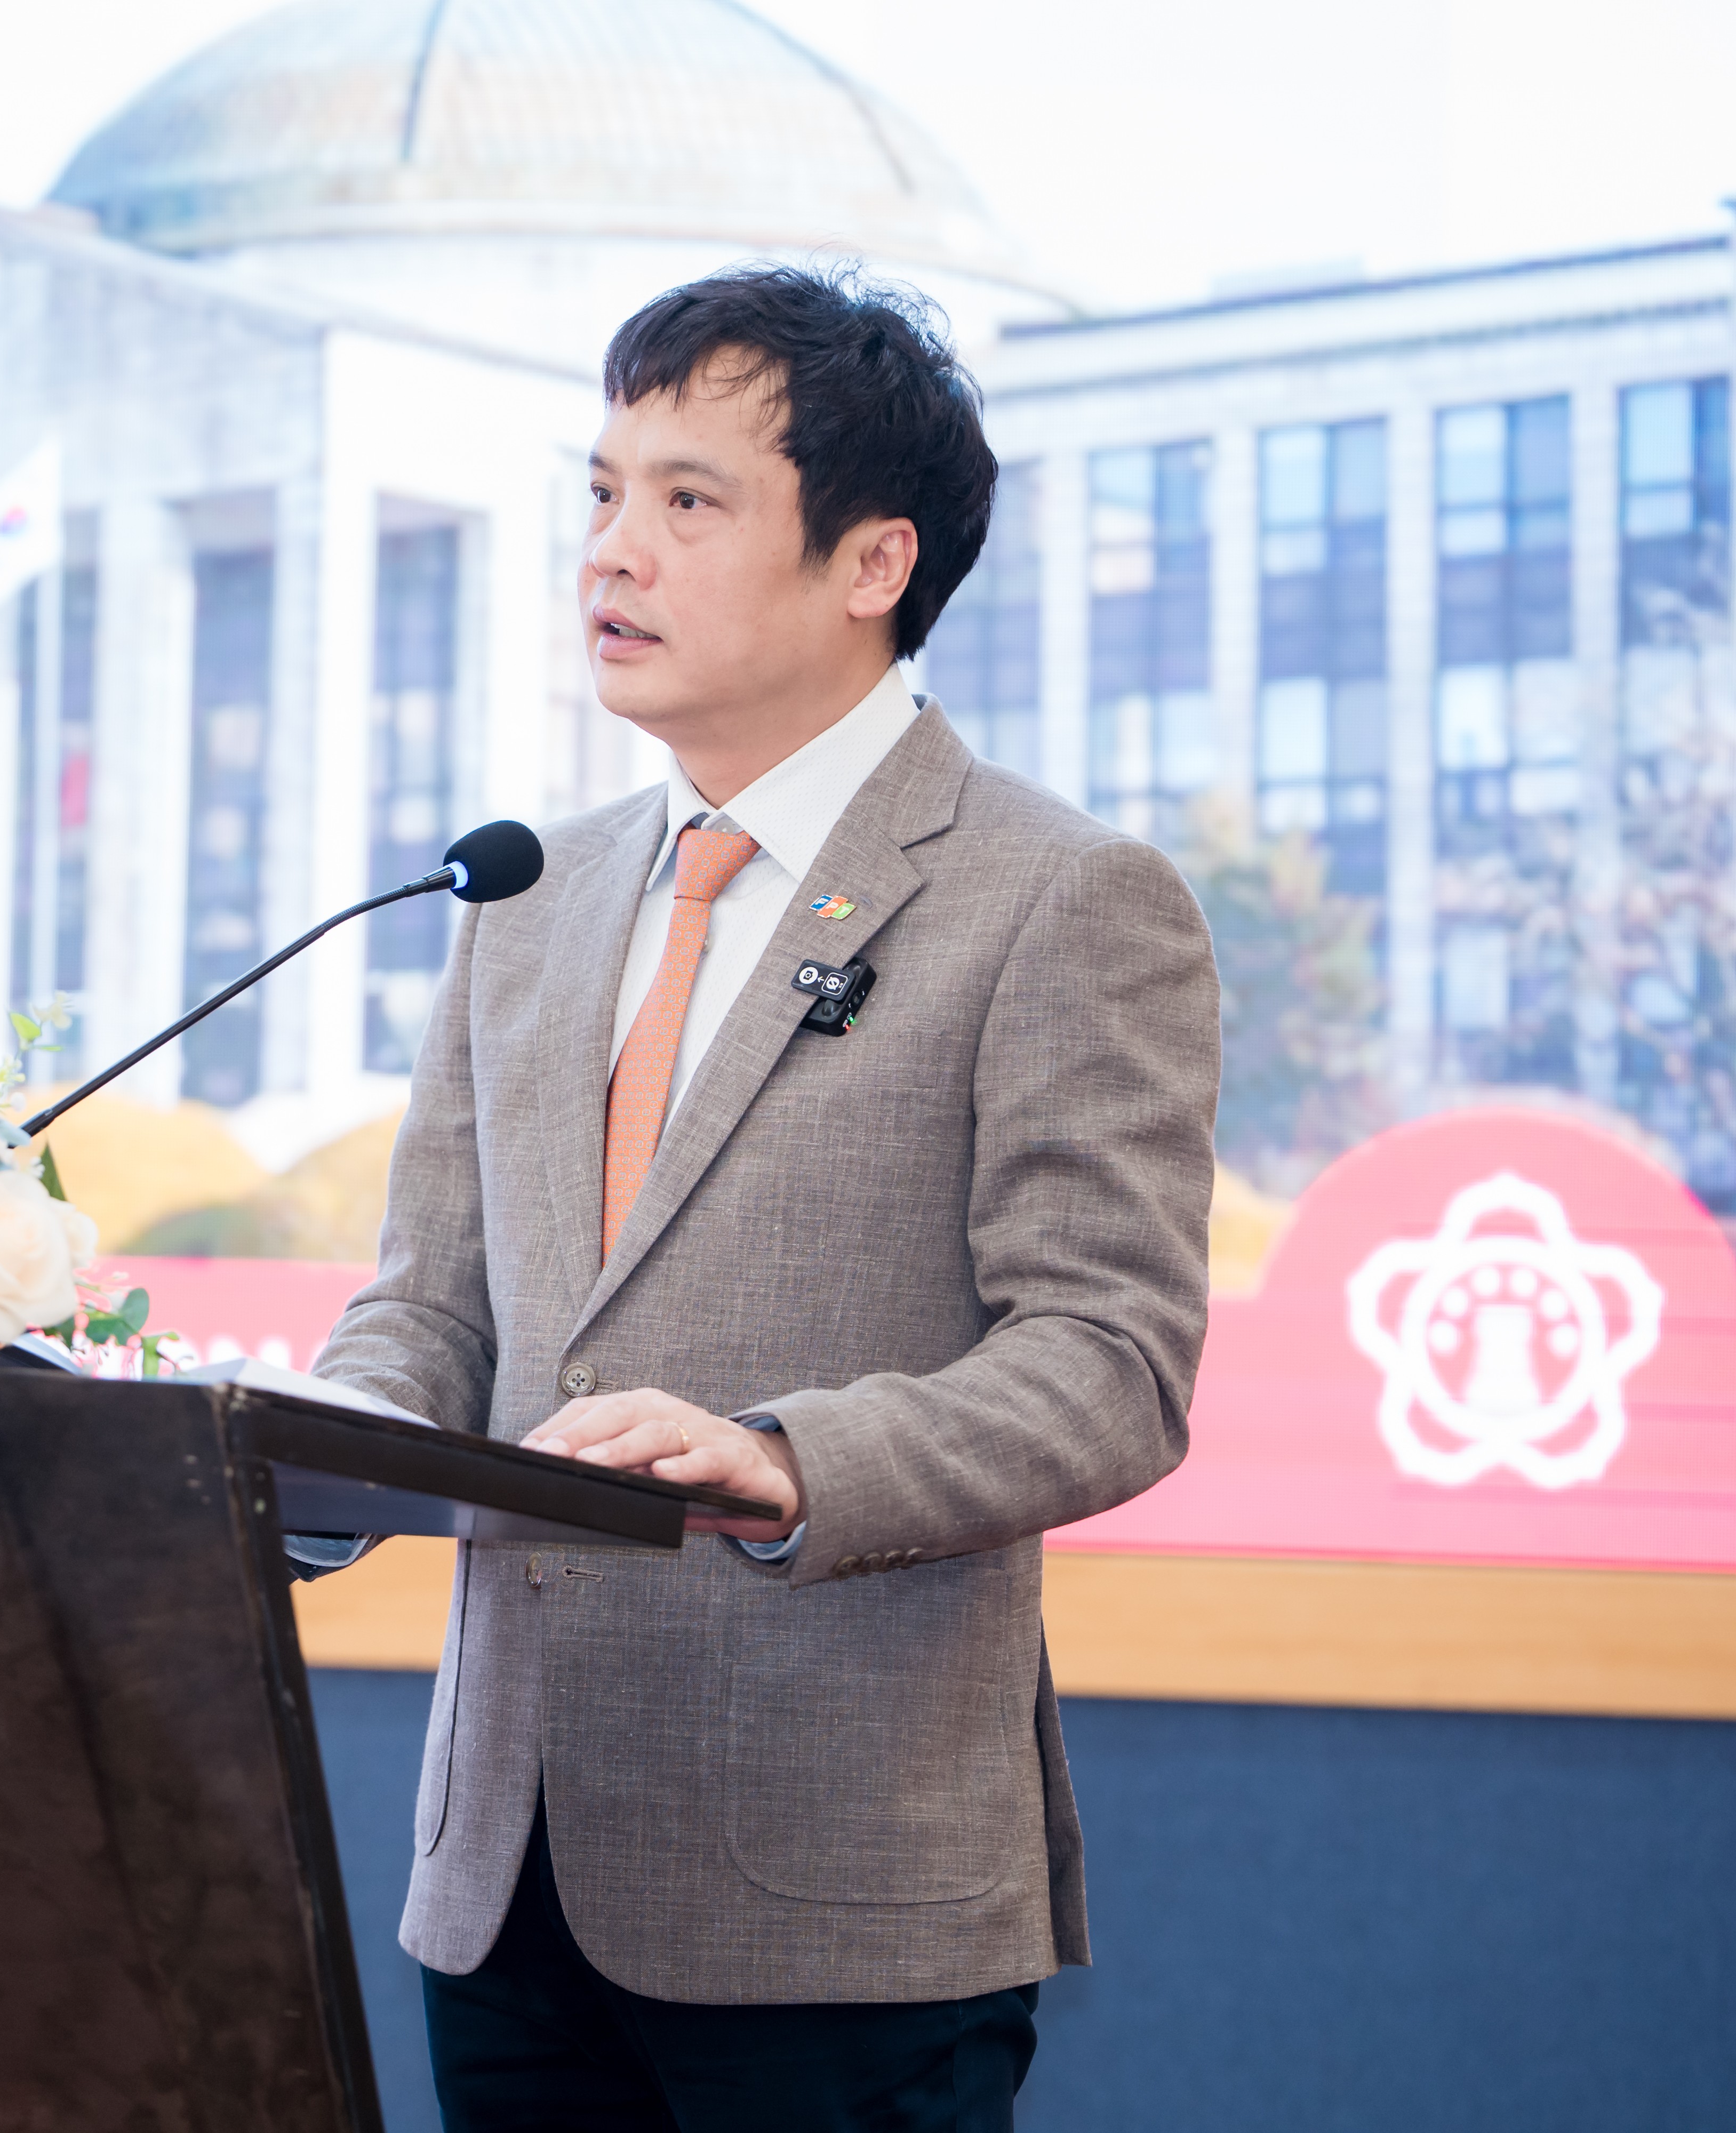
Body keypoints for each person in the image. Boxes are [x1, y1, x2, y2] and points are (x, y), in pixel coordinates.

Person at [303, 265, 1221, 2131]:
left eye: (688, 501)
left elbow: (1110, 1361)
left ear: (875, 562)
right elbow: (436, 1306)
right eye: (601, 492)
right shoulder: (524, 896)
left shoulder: (1060, 898)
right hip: (505, 1878)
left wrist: (793, 1461)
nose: (612, 552)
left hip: (837, 1900)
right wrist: (304, 1449)